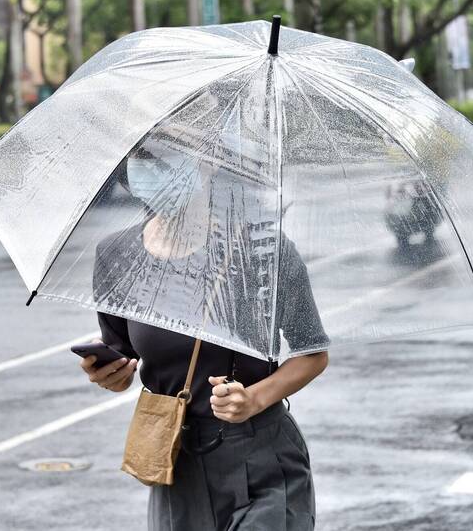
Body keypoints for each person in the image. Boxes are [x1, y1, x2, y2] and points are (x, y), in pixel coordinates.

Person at [80, 139, 329, 530]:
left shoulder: (261, 248)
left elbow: (312, 353)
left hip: (260, 459)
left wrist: (254, 398)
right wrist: (110, 374)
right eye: (139, 157)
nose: (149, 168)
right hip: (174, 458)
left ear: (207, 163)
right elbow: (121, 350)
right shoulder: (117, 254)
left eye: (165, 156)